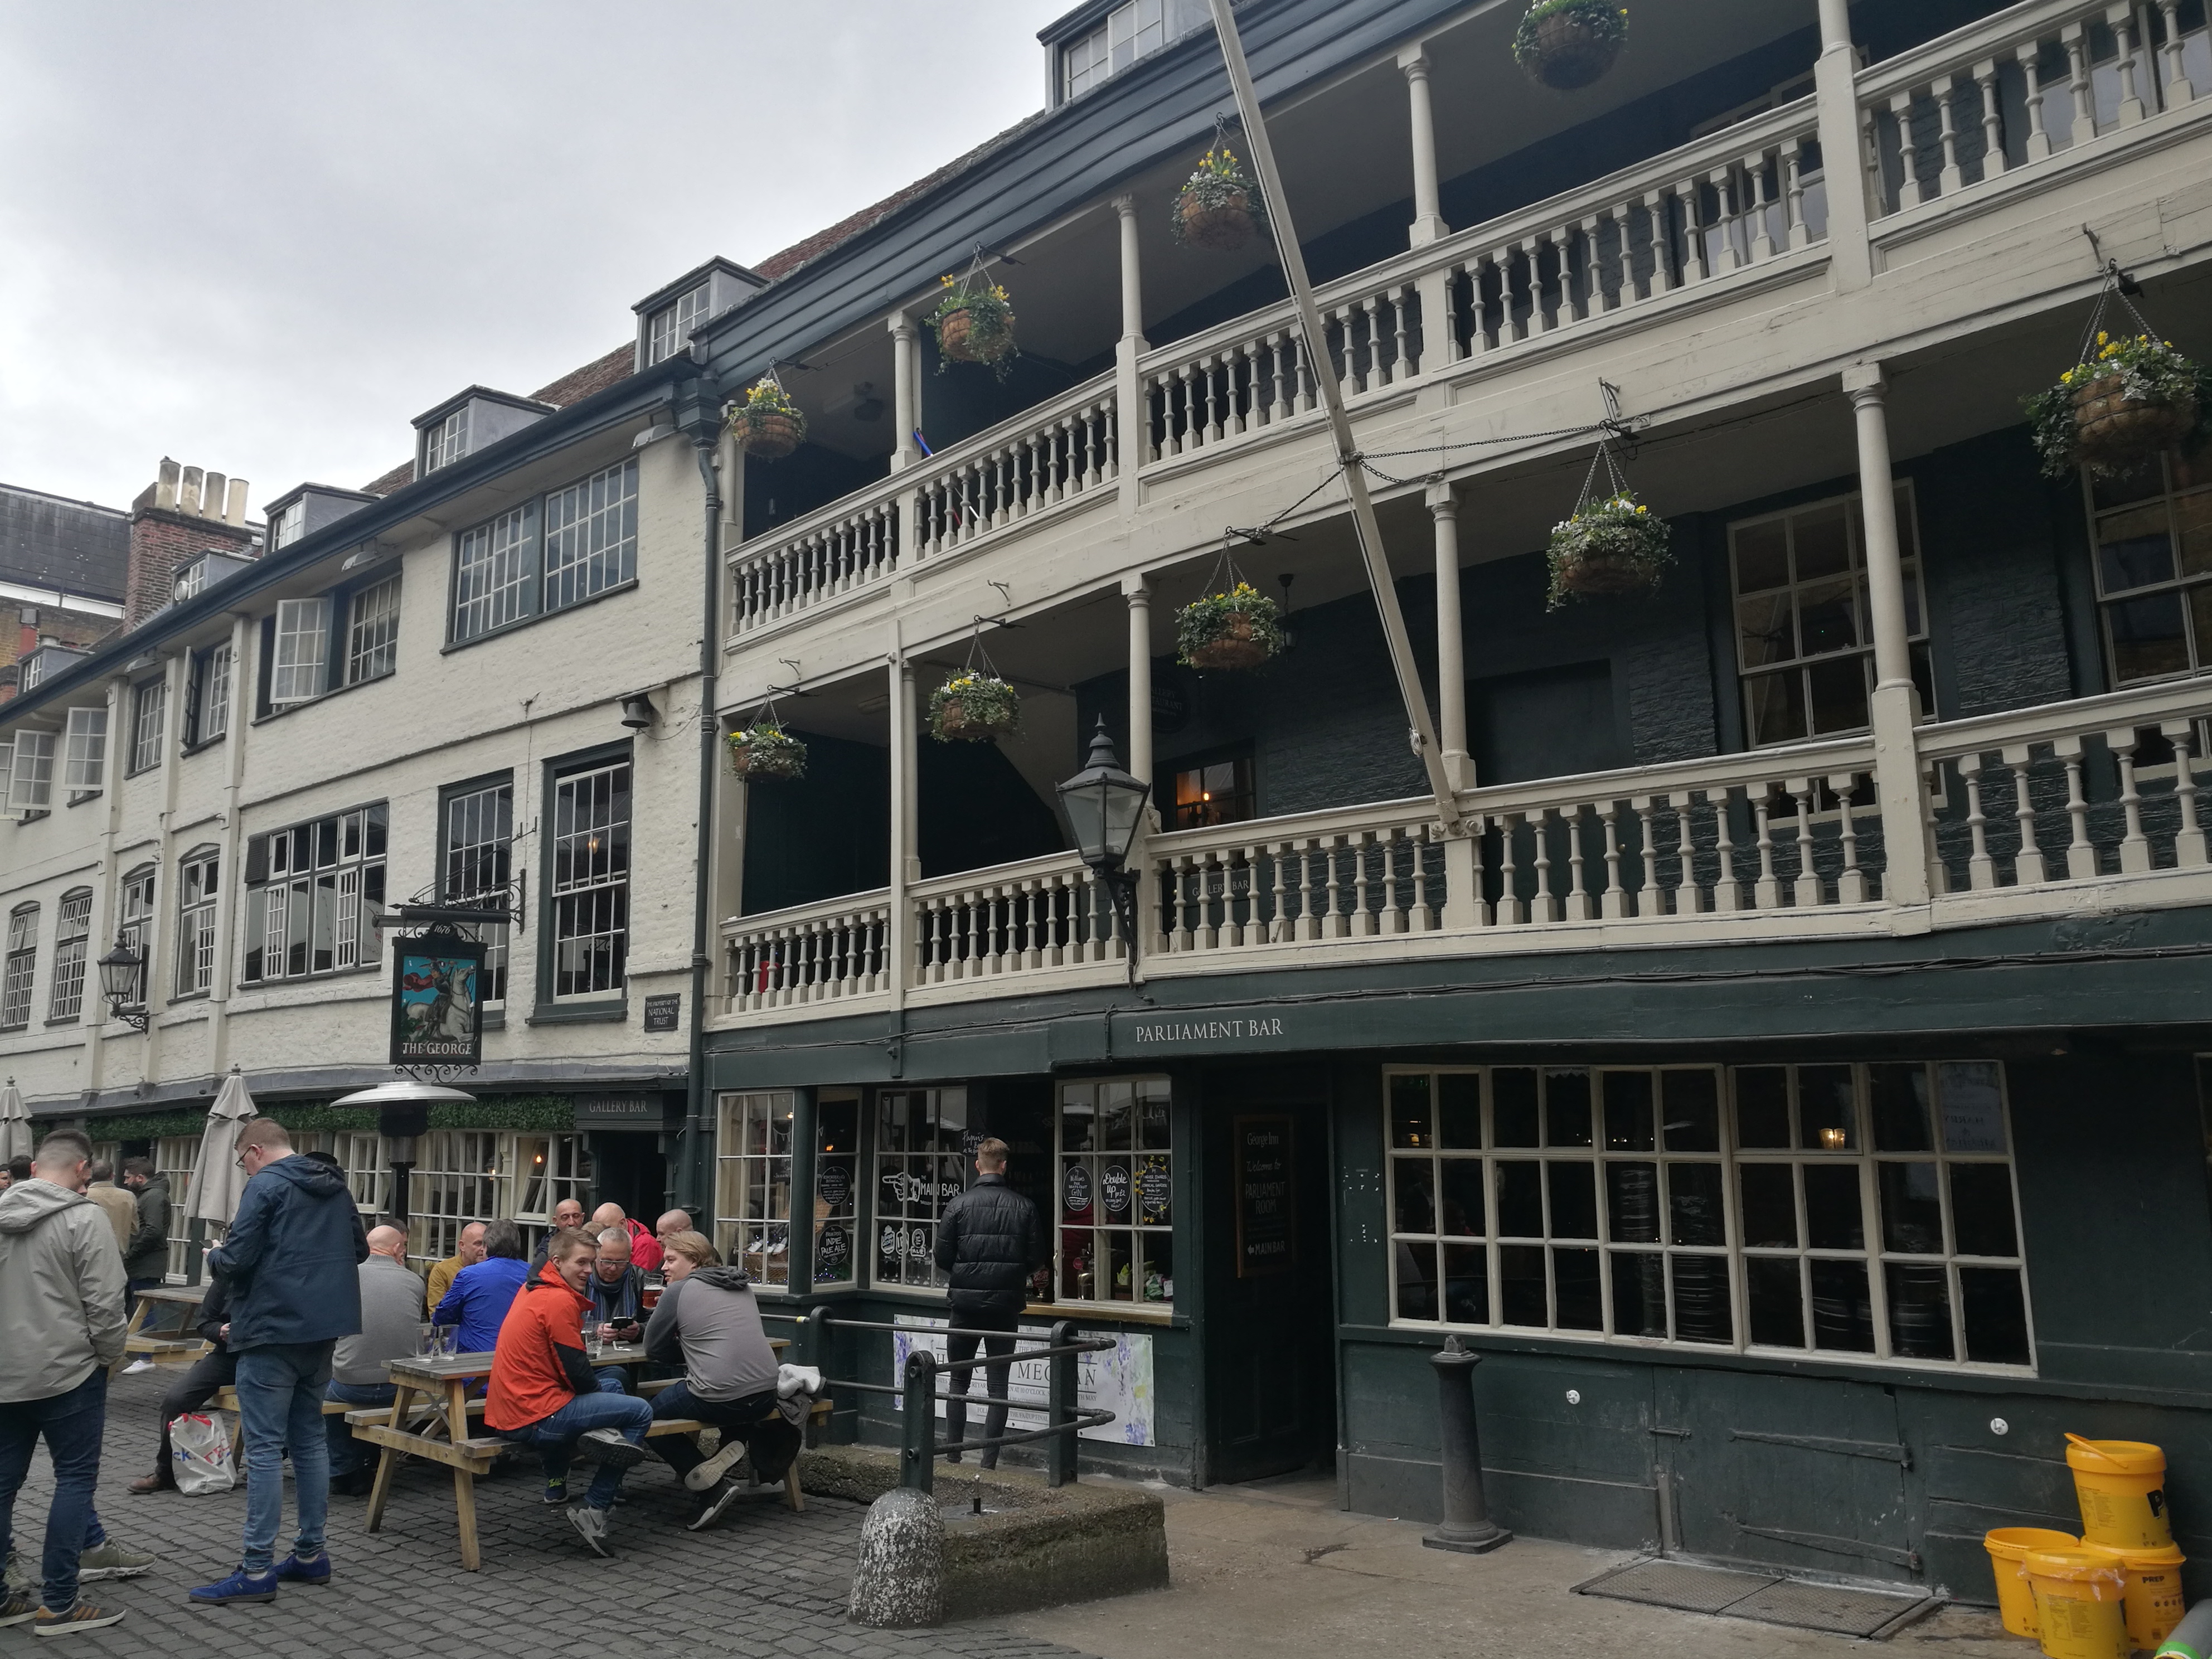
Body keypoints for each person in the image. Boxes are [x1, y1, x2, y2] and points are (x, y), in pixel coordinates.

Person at [188, 1119, 368, 1607]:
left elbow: (237, 1261)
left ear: (254, 1150)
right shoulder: (335, 1186)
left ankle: (255, 1568)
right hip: (324, 1328)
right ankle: (310, 1554)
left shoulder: (265, 1185)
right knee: (309, 1440)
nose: (244, 1170)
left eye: (241, 1162)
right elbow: (358, 1250)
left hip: (271, 1329)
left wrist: (215, 1256)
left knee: (265, 1448)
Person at [0, 1130, 134, 1634]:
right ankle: (59, 1603)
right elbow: (106, 1303)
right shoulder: (84, 1218)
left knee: (2, 1485)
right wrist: (110, 1357)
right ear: (83, 1170)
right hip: (69, 1372)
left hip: (5, 1373)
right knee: (74, 1480)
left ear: (35, 1168)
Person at [485, 1228, 652, 1556]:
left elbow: (573, 1373)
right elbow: (577, 1373)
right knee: (641, 1411)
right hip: (533, 1416)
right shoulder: (558, 1299)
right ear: (558, 1262)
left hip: (512, 1409)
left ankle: (594, 1453)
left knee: (614, 1385)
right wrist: (597, 1408)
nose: (589, 1270)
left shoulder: (534, 1289)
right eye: (582, 1263)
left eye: (591, 1262)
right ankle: (596, 1505)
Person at [641, 1231, 798, 1531]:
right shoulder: (741, 1284)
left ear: (695, 1261)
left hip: (721, 1396)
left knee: (646, 1420)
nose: (664, 1267)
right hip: (766, 1394)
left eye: (671, 1259)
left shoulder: (678, 1291)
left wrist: (692, 1353)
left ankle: (711, 1488)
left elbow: (654, 1349)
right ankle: (728, 1448)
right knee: (733, 1390)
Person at [932, 1137, 1046, 1471]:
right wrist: (1011, 1275)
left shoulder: (957, 1206)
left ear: (977, 1165)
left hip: (965, 1305)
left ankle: (953, 1456)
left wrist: (966, 1273)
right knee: (998, 1387)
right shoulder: (1024, 1207)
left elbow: (942, 1257)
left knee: (958, 1382)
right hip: (1005, 1306)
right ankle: (988, 1463)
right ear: (1004, 1166)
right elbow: (1037, 1259)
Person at [326, 1226, 421, 1497]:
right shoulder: (415, 1282)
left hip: (349, 1383)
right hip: (400, 1386)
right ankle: (368, 1460)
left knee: (322, 1390)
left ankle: (343, 1468)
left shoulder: (345, 1278)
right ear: (398, 1250)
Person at [128, 1270, 236, 1495]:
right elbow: (206, 1321)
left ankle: (267, 1471)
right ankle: (165, 1473)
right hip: (228, 1355)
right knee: (176, 1400)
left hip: (268, 1357)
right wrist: (220, 1331)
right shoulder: (228, 1276)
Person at [434, 1219, 530, 1356]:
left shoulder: (469, 1275)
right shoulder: (533, 1274)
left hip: (474, 1357)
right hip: (518, 1356)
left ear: (486, 1246)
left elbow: (442, 1317)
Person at [581, 1228, 646, 1393]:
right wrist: (594, 1332)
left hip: (630, 1364)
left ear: (630, 1258)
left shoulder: (640, 1279)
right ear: (596, 1256)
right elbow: (564, 1324)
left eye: (620, 1263)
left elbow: (654, 1321)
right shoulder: (581, 1280)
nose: (612, 1268)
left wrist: (639, 1330)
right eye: (606, 1261)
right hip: (585, 1364)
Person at [119, 1158, 169, 1311]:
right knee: (136, 1313)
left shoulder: (153, 1196)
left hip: (145, 1267)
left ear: (140, 1178)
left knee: (143, 1314)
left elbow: (153, 1231)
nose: (126, 1182)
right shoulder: (150, 1195)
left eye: (128, 1177)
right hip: (142, 1266)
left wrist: (130, 1254)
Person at [424, 1220, 486, 1316]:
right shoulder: (442, 1271)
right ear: (462, 1246)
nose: (483, 1249)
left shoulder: (493, 1270)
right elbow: (436, 1313)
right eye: (478, 1244)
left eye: (486, 1244)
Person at [83, 1165, 135, 1260]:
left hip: (89, 1252)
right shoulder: (128, 1196)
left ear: (91, 1175)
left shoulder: (84, 1196)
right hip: (118, 1253)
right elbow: (135, 1229)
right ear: (112, 1176)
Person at [528, 1201, 587, 1269]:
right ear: (555, 1221)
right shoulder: (546, 1249)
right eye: (565, 1218)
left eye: (576, 1217)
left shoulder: (591, 1242)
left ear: (583, 1218)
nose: (571, 1223)